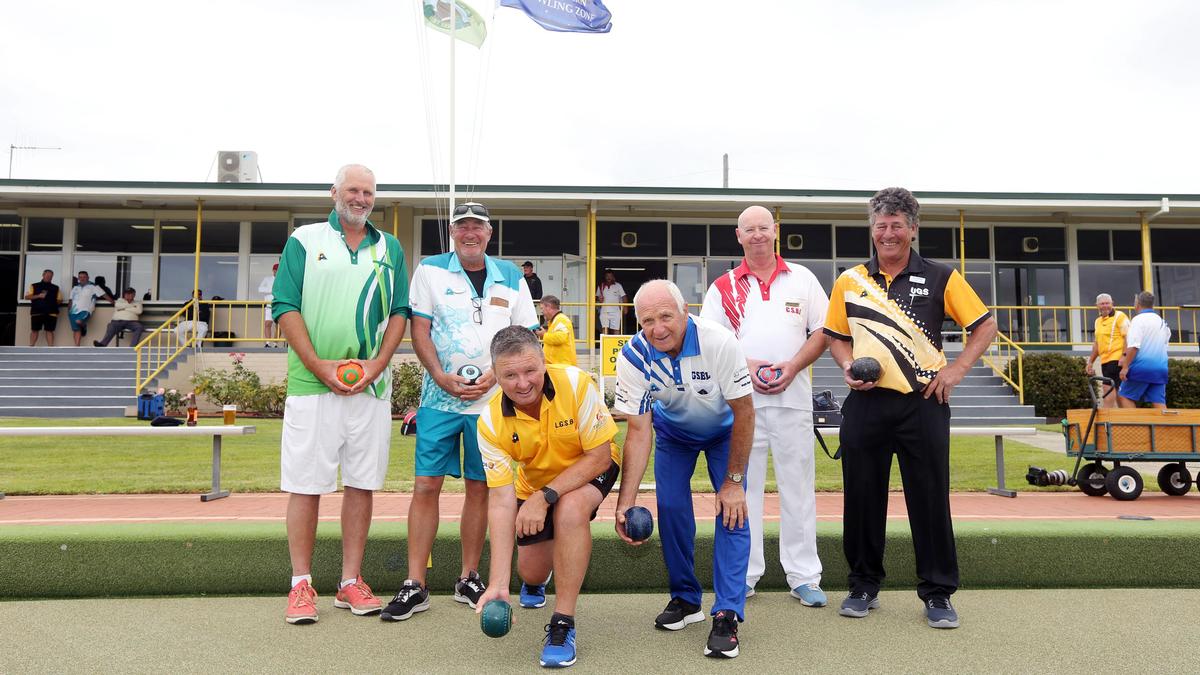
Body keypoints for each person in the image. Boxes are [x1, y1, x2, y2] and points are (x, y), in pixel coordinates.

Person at [823, 187, 996, 630]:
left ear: (913, 229)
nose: (888, 233)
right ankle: (862, 585)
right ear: (872, 230)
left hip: (924, 403)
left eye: (897, 225)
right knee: (862, 497)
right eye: (881, 225)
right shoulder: (850, 281)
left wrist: (956, 370)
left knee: (930, 498)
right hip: (866, 404)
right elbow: (835, 336)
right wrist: (847, 366)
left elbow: (985, 325)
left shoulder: (942, 276)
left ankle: (938, 592)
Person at [383, 201, 538, 622]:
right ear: (452, 232)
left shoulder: (510, 274)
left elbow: (525, 334)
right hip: (439, 398)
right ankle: (415, 583)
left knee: (480, 488)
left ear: (489, 233)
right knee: (425, 485)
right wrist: (438, 375)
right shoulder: (430, 269)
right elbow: (419, 329)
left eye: (478, 226)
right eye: (462, 226)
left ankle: (469, 576)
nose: (470, 233)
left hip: (492, 402)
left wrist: (496, 375)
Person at [272, 164, 411, 625]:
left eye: (368, 192)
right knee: (306, 484)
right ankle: (300, 584)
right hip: (312, 385)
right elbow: (285, 306)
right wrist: (318, 365)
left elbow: (399, 311)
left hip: (371, 388)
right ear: (334, 192)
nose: (361, 198)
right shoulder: (304, 240)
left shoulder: (389, 247)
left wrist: (377, 366)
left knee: (361, 484)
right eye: (353, 190)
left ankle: (350, 581)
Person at [613, 279, 754, 660]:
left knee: (733, 511)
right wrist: (625, 503)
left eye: (665, 317)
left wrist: (734, 482)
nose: (657, 329)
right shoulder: (634, 356)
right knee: (672, 509)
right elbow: (638, 431)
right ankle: (687, 599)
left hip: (726, 432)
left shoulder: (718, 342)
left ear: (685, 312)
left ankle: (727, 613)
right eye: (647, 321)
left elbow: (745, 411)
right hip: (674, 434)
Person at [700, 205, 830, 606]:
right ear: (738, 236)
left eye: (763, 227)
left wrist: (792, 367)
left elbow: (824, 331)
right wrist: (749, 365)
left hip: (794, 401)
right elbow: (710, 342)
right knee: (744, 490)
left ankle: (804, 576)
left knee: (798, 489)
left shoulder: (803, 279)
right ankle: (745, 575)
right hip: (742, 407)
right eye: (749, 229)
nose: (757, 235)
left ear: (775, 231)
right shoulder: (722, 287)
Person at [474, 326, 621, 668]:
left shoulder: (576, 382)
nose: (523, 383)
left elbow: (599, 456)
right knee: (531, 573)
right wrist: (498, 582)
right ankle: (541, 576)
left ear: (543, 361)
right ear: (495, 374)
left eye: (530, 370)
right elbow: (500, 501)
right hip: (534, 486)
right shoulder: (490, 422)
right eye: (510, 375)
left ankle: (562, 623)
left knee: (570, 508)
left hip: (591, 466)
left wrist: (546, 498)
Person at [1118, 291, 1171, 409]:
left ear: (1137, 304)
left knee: (1124, 396)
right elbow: (1165, 344)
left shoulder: (1138, 320)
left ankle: (1134, 422)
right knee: (1158, 402)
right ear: (1153, 305)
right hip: (1160, 368)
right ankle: (1165, 422)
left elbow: (1134, 346)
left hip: (1141, 367)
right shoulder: (1162, 321)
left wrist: (1125, 367)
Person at [1085, 293, 1130, 408]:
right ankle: (1123, 416)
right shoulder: (1097, 321)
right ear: (1097, 305)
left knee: (1108, 389)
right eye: (1102, 304)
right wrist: (1090, 362)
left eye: (1107, 303)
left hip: (1117, 360)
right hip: (1105, 361)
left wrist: (1124, 356)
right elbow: (1097, 344)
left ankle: (1107, 415)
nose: (1105, 306)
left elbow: (1128, 337)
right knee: (1118, 392)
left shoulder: (1120, 316)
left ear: (1112, 303)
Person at [68, 271, 112, 346]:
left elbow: (104, 295)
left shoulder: (93, 286)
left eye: (84, 277)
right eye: (80, 277)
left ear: (88, 278)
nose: (82, 279)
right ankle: (77, 347)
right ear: (78, 278)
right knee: (76, 330)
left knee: (79, 322)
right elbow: (70, 300)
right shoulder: (75, 288)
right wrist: (69, 311)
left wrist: (113, 302)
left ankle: (84, 326)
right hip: (73, 311)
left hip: (86, 310)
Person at [536, 295, 577, 366]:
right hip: (557, 366)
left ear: (548, 307)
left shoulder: (561, 319)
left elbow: (560, 338)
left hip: (561, 367)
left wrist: (544, 335)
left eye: (542, 308)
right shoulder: (556, 321)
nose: (541, 312)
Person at [25, 269, 62, 346]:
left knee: (50, 330)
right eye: (47, 275)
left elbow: (59, 300)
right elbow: (27, 297)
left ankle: (50, 348)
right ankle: (31, 347)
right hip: (37, 311)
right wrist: (38, 296)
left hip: (51, 312)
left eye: (51, 276)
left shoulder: (55, 287)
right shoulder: (34, 285)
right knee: (34, 330)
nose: (49, 277)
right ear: (43, 275)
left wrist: (52, 303)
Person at [596, 270, 627, 335]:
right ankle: (605, 342)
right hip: (604, 311)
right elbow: (596, 297)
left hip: (616, 311)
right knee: (604, 329)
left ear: (613, 277)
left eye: (610, 276)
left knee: (616, 329)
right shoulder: (601, 286)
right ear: (605, 277)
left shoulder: (618, 285)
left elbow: (624, 296)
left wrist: (625, 307)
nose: (609, 277)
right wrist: (599, 299)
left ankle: (616, 341)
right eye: (607, 276)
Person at [260, 263, 280, 347]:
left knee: (279, 326)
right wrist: (271, 290)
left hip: (279, 305)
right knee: (268, 324)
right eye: (275, 270)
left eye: (278, 270)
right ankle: (267, 343)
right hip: (269, 305)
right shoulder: (267, 279)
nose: (276, 272)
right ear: (273, 270)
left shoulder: (283, 280)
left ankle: (275, 344)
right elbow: (260, 289)